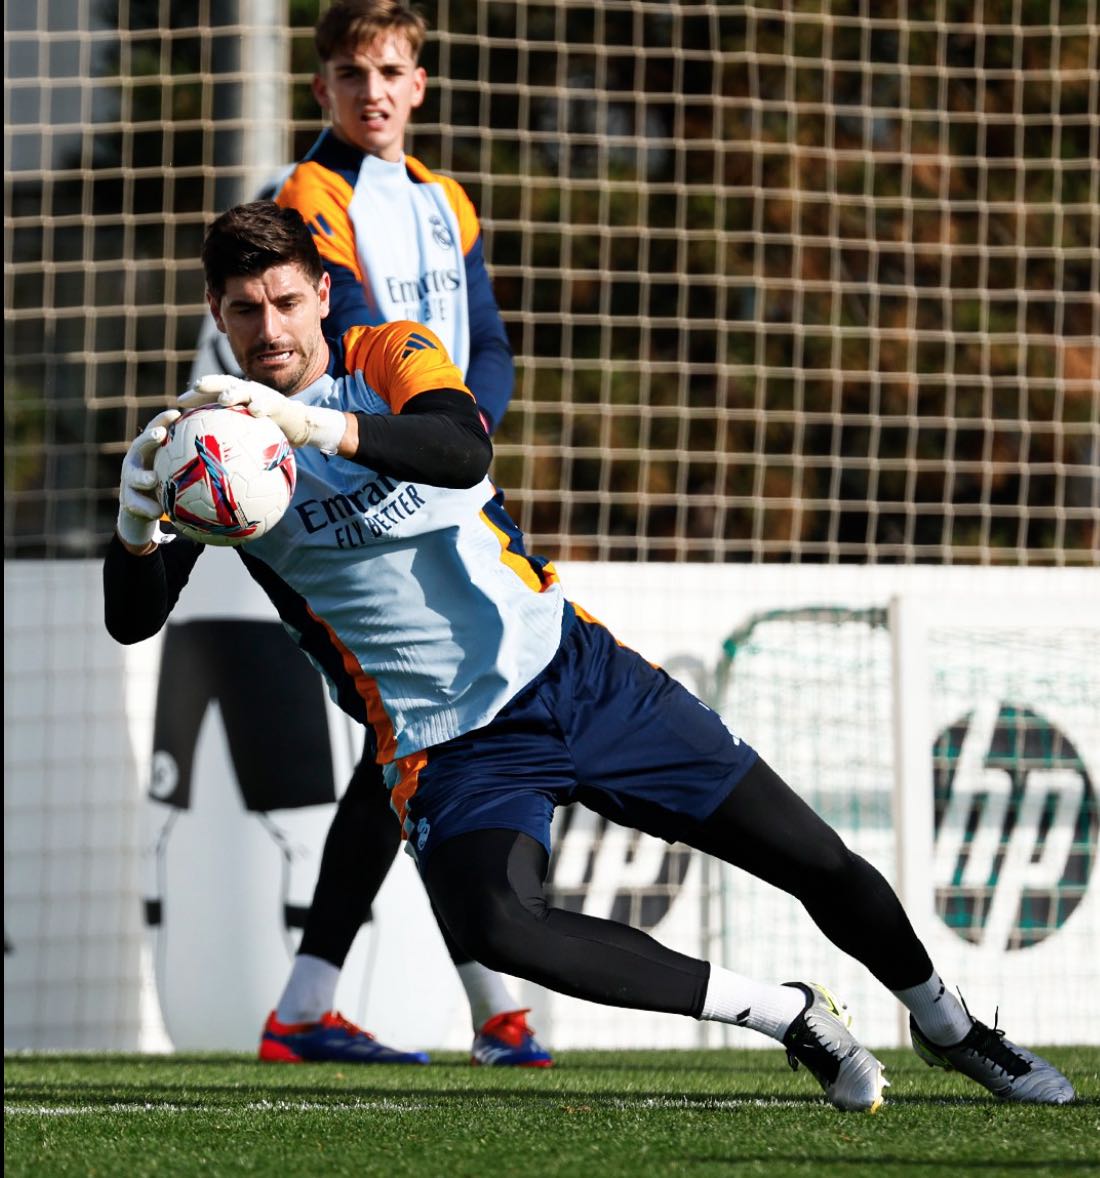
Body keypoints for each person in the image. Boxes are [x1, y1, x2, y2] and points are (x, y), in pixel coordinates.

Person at [105, 201, 1076, 1112]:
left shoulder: (385, 355)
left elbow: (459, 450)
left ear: (321, 291)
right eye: (243, 309)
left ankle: (949, 1025)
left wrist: (316, 424)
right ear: (216, 314)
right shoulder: (214, 449)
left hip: (577, 675)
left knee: (814, 858)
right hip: (450, 746)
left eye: (283, 300)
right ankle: (784, 1013)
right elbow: (133, 621)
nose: (267, 326)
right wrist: (137, 519)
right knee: (497, 923)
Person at [162, 0, 551, 1067]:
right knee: (417, 732)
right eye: (347, 72)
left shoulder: (445, 201)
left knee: (412, 738)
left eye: (388, 70)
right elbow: (360, 337)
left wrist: (461, 440)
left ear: (417, 82)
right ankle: (480, 1000)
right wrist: (423, 445)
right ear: (321, 87)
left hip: (428, 481)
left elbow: (490, 344)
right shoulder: (311, 196)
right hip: (332, 499)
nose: (370, 91)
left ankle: (349, 1002)